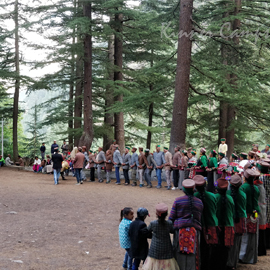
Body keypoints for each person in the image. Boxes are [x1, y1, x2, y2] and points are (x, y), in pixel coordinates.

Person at [169, 179, 203, 270]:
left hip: (180, 230)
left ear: (183, 190)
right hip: (194, 231)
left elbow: (171, 217)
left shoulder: (178, 201)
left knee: (179, 253)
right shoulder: (199, 202)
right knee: (193, 254)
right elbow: (200, 218)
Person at [143, 203, 179, 270]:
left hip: (155, 248)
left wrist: (152, 235)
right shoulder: (169, 223)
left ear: (157, 214)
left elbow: (147, 231)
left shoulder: (153, 223)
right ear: (166, 214)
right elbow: (172, 230)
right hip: (167, 248)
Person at [193, 175, 218, 270]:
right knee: (211, 247)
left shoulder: (194, 197)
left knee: (201, 248)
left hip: (200, 226)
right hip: (212, 224)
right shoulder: (212, 196)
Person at [211, 177, 235, 270]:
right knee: (225, 249)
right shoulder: (230, 198)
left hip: (217, 226)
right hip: (228, 226)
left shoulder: (214, 197)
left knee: (216, 248)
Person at [239, 169, 261, 264]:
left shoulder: (243, 187)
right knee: (253, 235)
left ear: (245, 178)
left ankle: (242, 256)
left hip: (246, 213)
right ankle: (252, 258)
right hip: (255, 213)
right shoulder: (256, 188)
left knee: (245, 236)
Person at [227, 174, 247, 270]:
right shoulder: (243, 194)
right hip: (240, 220)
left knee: (228, 242)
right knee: (237, 243)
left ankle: (228, 262)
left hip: (229, 221)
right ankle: (234, 262)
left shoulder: (227, 194)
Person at [255, 162, 268, 256]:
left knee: (260, 227)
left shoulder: (261, 180)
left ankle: (261, 248)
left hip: (260, 206)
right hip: (265, 204)